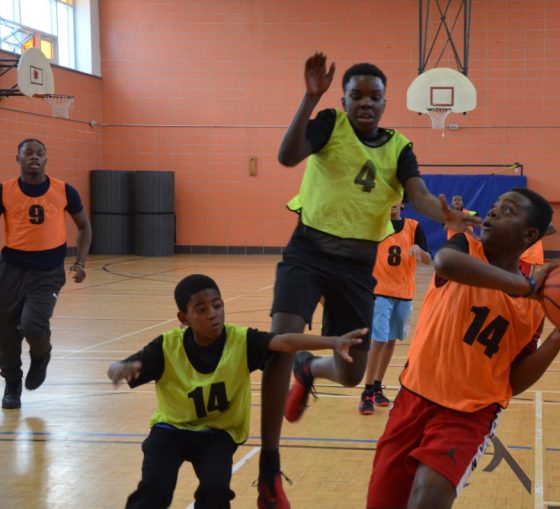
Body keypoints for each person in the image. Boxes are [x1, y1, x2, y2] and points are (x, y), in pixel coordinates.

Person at [259, 52, 479, 508]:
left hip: (358, 267)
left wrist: (446, 214)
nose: (365, 102)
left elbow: (416, 193)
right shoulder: (328, 124)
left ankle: (311, 368)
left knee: (351, 371)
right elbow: (285, 156)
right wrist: (309, 96)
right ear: (343, 98)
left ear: (385, 102)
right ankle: (269, 468)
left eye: (374, 96)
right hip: (307, 251)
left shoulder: (399, 147)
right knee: (282, 338)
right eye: (356, 95)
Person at [366, 188, 560, 509]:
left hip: (470, 415)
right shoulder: (465, 248)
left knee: (428, 496)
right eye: (494, 207)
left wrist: (556, 340)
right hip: (413, 397)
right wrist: (524, 286)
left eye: (507, 211)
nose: (492, 213)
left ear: (530, 235)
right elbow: (444, 262)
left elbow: (513, 382)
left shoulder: (534, 306)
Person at [107, 274, 366, 509]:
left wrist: (333, 341)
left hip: (217, 435)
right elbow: (119, 366)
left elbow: (285, 341)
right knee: (154, 490)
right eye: (202, 309)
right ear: (183, 319)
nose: (213, 314)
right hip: (170, 431)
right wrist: (119, 367)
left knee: (215, 491)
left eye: (217, 306)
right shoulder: (166, 346)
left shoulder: (241, 340)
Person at [0, 138, 91, 409]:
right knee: (5, 333)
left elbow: (84, 227)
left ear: (46, 160)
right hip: (12, 270)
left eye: (40, 153)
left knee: (32, 325)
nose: (34, 157)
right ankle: (12, 383)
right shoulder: (5, 191)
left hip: (48, 272)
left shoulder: (65, 191)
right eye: (28, 153)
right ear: (17, 159)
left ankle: (41, 355)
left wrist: (81, 262)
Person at [358, 200, 430, 415]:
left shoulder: (414, 227)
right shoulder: (377, 225)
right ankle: (367, 391)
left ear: (402, 203)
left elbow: (427, 260)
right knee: (379, 339)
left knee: (390, 341)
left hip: (404, 293)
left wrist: (420, 250)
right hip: (380, 292)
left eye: (395, 197)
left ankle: (378, 386)